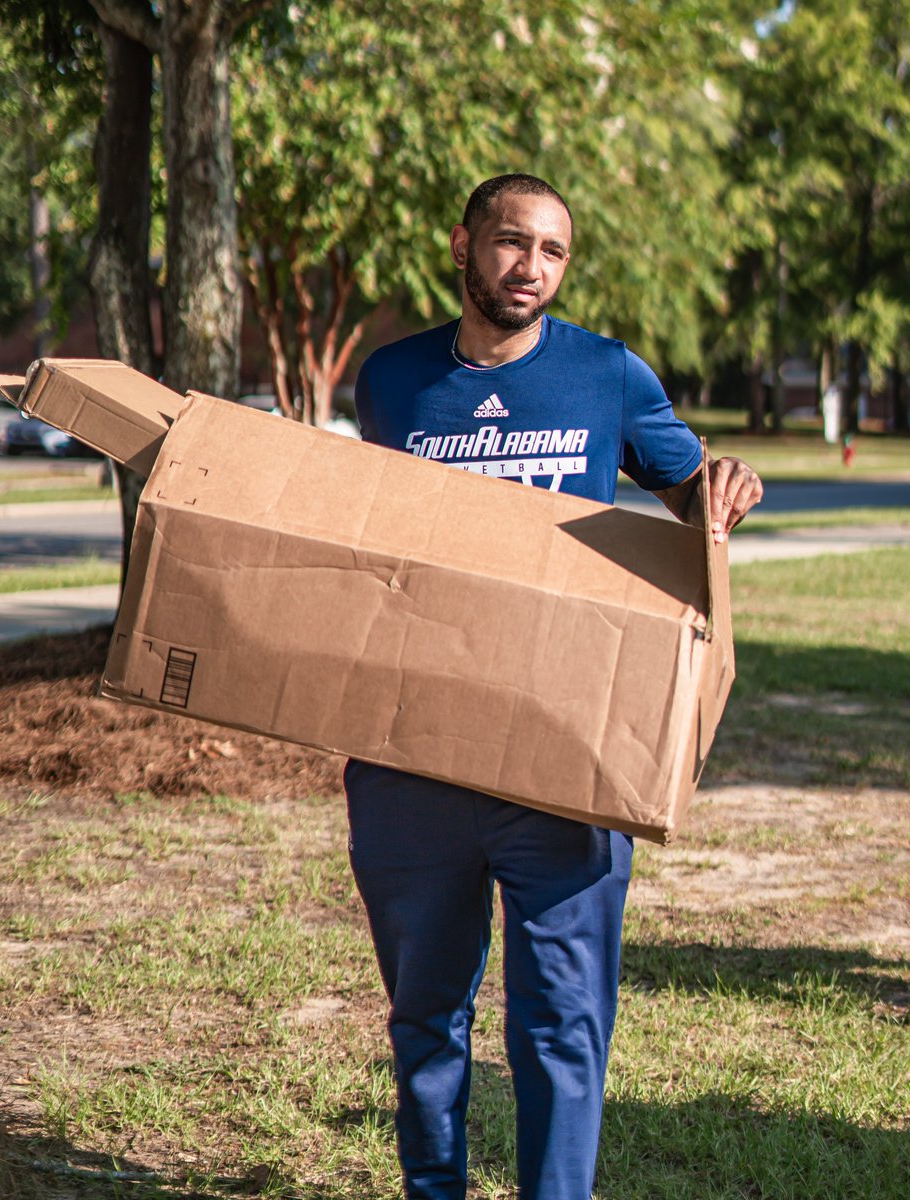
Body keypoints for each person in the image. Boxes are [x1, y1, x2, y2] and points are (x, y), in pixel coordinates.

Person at [345, 174, 762, 1200]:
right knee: (425, 1018)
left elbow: (691, 491)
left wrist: (728, 486)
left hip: (566, 749)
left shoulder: (608, 377)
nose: (530, 267)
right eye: (510, 243)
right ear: (463, 245)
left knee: (563, 1023)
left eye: (553, 252)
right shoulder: (390, 382)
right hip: (413, 752)